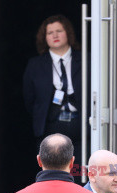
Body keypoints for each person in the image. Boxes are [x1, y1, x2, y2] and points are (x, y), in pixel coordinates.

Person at [22, 15, 86, 183]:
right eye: (50, 33)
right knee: (52, 179)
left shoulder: (86, 60)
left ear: (68, 34)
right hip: (50, 128)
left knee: (79, 178)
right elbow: (30, 101)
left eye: (59, 31)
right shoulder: (35, 65)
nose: (55, 35)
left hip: (82, 131)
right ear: (44, 37)